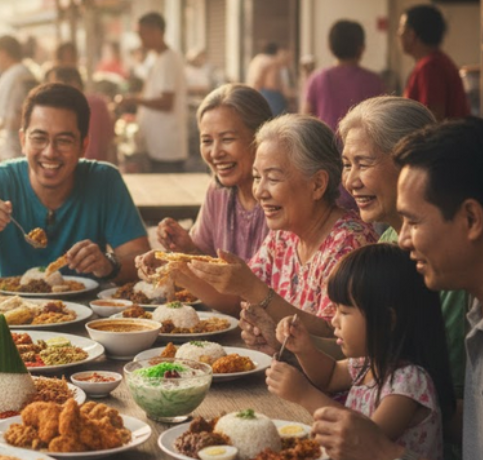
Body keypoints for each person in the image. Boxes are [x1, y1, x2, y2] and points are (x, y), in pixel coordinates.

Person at [311, 118, 483, 460]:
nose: (402, 240)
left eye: (413, 222)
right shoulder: (476, 312)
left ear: (471, 219)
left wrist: (389, 459)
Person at [268, 244, 454, 460]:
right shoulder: (368, 364)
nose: (333, 321)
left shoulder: (410, 382)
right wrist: (303, 348)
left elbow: (364, 440)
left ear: (388, 319)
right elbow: (328, 376)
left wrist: (304, 395)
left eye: (344, 312)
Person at [140, 114, 378, 340]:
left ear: (317, 184)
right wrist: (173, 268)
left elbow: (334, 339)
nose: (260, 192)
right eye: (256, 177)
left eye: (272, 178)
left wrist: (254, 290)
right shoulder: (283, 236)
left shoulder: (351, 243)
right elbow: (236, 298)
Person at [0, 82, 149, 282]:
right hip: (4, 316)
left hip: (88, 318)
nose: (50, 152)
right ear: (23, 141)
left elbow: (143, 262)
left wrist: (108, 264)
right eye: (39, 138)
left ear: (84, 146)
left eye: (63, 141)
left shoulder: (104, 181)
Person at [339, 96, 467, 401]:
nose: (351, 181)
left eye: (363, 163)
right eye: (346, 165)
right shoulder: (386, 243)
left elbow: (433, 385)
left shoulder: (450, 264)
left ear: (411, 162)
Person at [155, 84, 271, 262]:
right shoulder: (218, 192)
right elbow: (207, 261)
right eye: (207, 141)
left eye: (227, 139)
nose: (215, 153)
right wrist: (186, 249)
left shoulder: (281, 197)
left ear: (260, 139)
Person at [118, 12, 188, 173]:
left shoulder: (169, 60)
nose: (141, 39)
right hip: (155, 144)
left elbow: (166, 103)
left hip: (166, 147)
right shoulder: (156, 58)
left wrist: (135, 101)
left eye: (143, 34)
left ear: (157, 32)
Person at [303, 20, 386, 132]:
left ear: (329, 46)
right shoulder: (374, 81)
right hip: (363, 146)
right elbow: (383, 119)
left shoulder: (317, 78)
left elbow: (305, 121)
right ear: (361, 48)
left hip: (326, 146)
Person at [398, 4, 471, 121]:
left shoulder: (430, 67)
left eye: (401, 29)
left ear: (411, 35)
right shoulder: (437, 62)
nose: (398, 34)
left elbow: (433, 119)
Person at [44, 65, 117, 165]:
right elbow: (111, 143)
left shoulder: (86, 105)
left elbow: (92, 149)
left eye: (56, 86)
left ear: (74, 84)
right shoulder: (99, 102)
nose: (52, 92)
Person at [0, 35, 36, 162]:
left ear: (3, 54)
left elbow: (12, 120)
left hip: (11, 152)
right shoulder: (25, 73)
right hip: (22, 150)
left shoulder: (15, 78)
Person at [247, 42, 288, 116]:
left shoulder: (257, 60)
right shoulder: (271, 61)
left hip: (260, 92)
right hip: (270, 94)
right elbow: (259, 79)